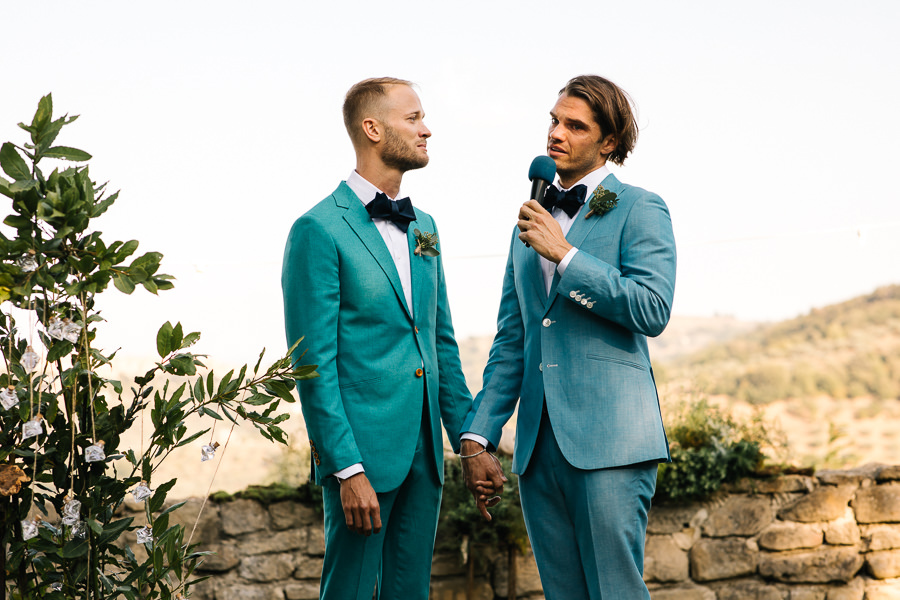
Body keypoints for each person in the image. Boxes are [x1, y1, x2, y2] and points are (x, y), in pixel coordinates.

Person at [460, 74, 676, 599]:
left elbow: (652, 307)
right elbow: (513, 340)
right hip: (538, 448)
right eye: (554, 121)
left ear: (608, 142)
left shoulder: (640, 207)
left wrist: (567, 256)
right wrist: (478, 433)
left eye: (574, 126)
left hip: (611, 442)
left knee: (614, 593)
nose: (556, 133)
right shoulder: (528, 224)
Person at [281, 77, 473, 600]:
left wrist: (469, 440)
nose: (426, 129)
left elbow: (439, 345)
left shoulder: (424, 227)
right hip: (362, 459)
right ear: (372, 128)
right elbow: (312, 365)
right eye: (412, 118)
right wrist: (346, 469)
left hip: (424, 457)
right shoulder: (318, 229)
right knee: (349, 592)